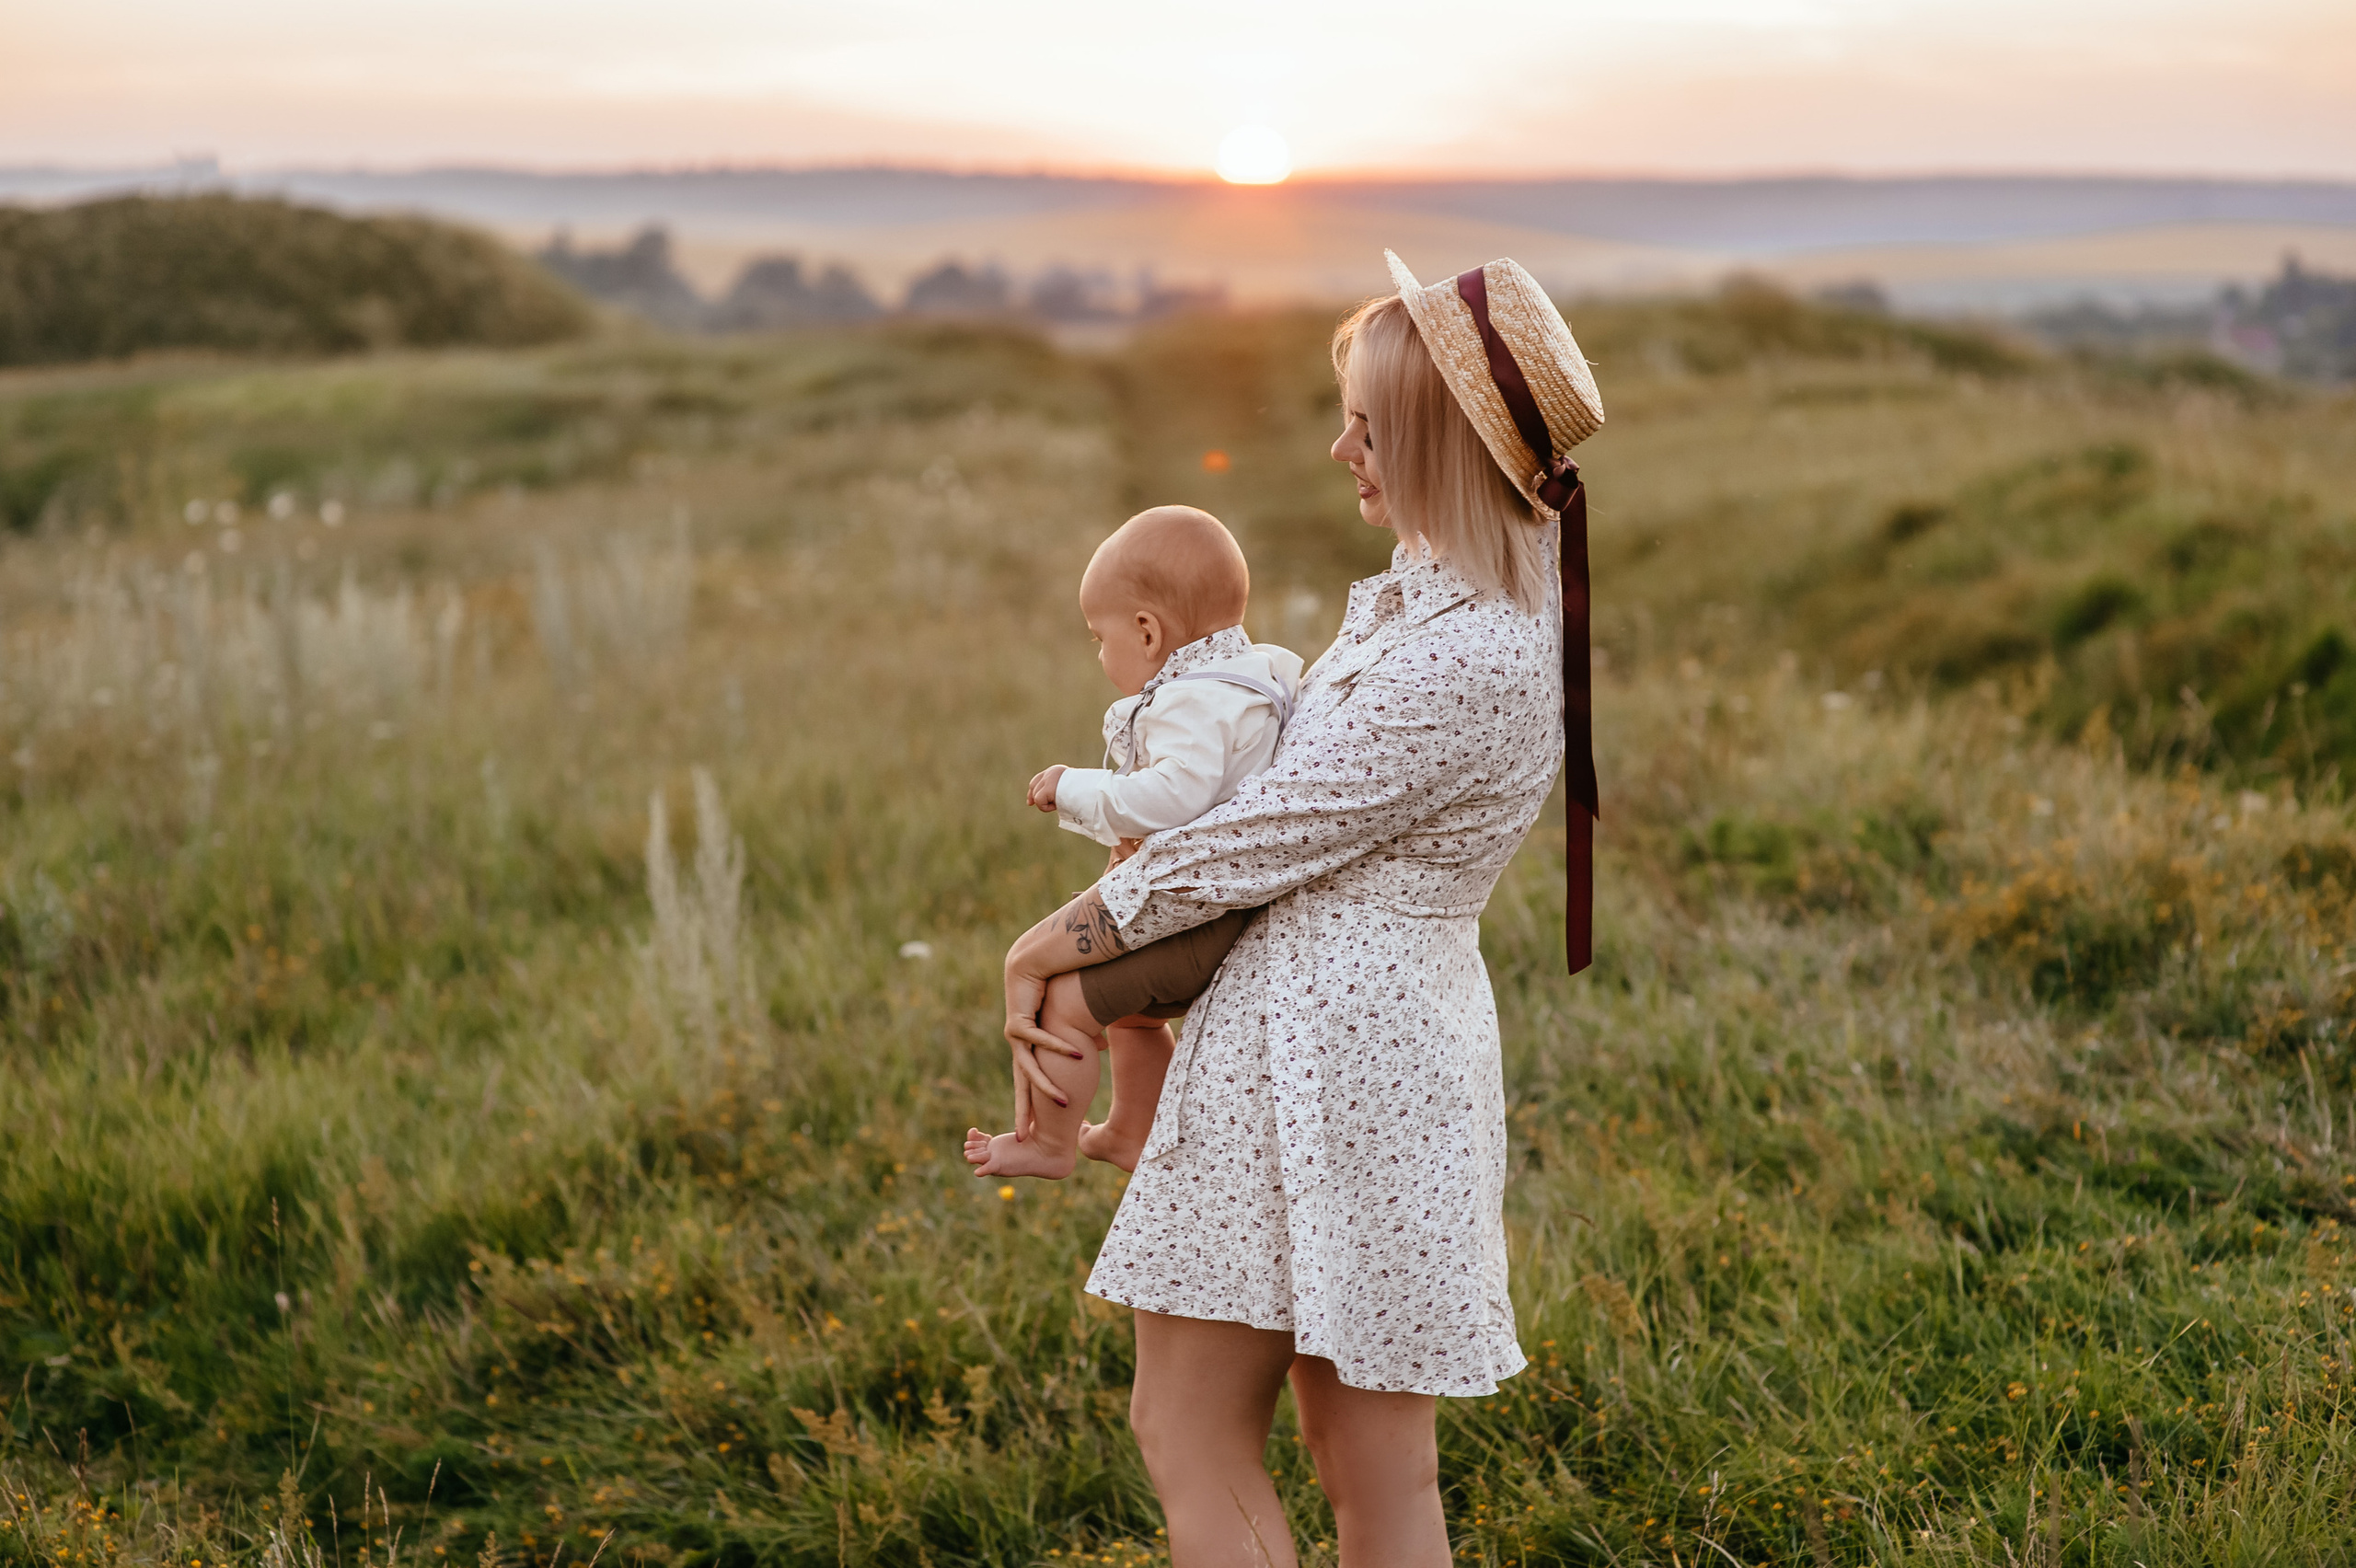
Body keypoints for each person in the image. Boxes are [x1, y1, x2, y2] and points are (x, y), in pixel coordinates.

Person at [998, 252, 1603, 1567]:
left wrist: (1056, 943)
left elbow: (1261, 838)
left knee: (1271, 1448)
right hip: (1329, 1051)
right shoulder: (1439, 605)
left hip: (1343, 1065)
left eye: (1370, 429)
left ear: (1440, 443)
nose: (1342, 451)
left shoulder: (1469, 649)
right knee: (1339, 1458)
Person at [965, 504, 1301, 1180]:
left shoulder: (1190, 701)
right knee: (1134, 1018)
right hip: (1214, 911)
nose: (1098, 651)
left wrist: (1075, 788)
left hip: (1195, 916)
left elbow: (1172, 799)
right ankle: (1129, 1130)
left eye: (1099, 636)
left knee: (1065, 1002)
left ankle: (1050, 1145)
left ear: (1147, 632)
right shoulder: (1251, 678)